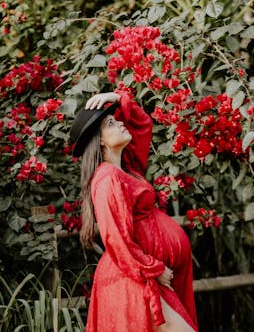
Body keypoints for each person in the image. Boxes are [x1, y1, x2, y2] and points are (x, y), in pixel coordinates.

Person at [69, 90, 198, 332]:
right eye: (110, 123)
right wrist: (154, 268)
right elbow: (115, 238)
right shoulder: (106, 178)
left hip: (141, 273)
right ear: (101, 141)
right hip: (133, 278)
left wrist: (117, 97)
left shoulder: (127, 168)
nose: (119, 122)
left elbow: (142, 124)